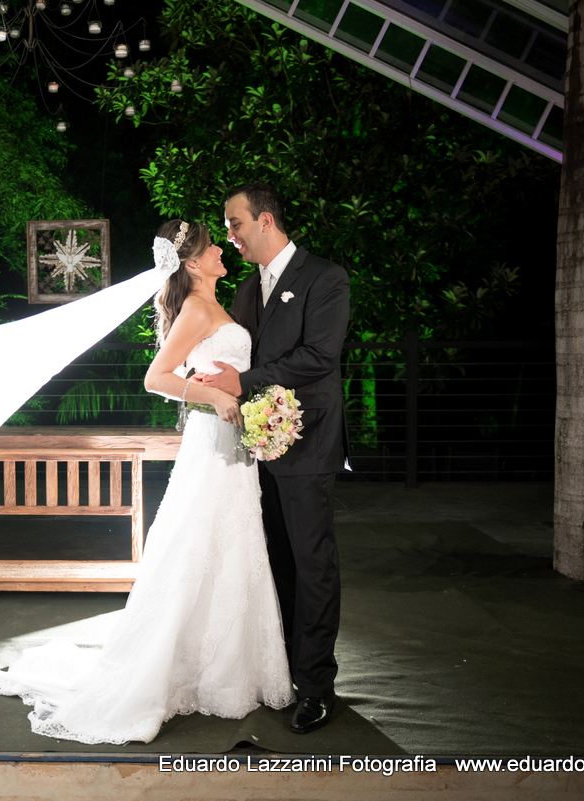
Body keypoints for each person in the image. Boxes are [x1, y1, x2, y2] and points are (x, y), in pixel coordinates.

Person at [0, 219, 294, 744]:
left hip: (233, 444)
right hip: (211, 443)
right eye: (212, 246)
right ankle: (179, 670)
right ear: (193, 263)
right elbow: (156, 377)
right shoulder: (197, 309)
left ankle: (226, 670)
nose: (221, 250)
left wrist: (252, 406)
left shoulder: (218, 304)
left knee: (232, 545)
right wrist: (215, 396)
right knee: (197, 545)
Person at [197, 183, 350, 734]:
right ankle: (279, 670)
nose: (230, 236)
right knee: (272, 561)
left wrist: (244, 380)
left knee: (312, 563)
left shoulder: (325, 278)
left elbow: (319, 356)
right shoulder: (245, 289)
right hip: (253, 450)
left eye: (235, 224)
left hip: (308, 441)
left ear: (265, 220)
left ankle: (317, 687)